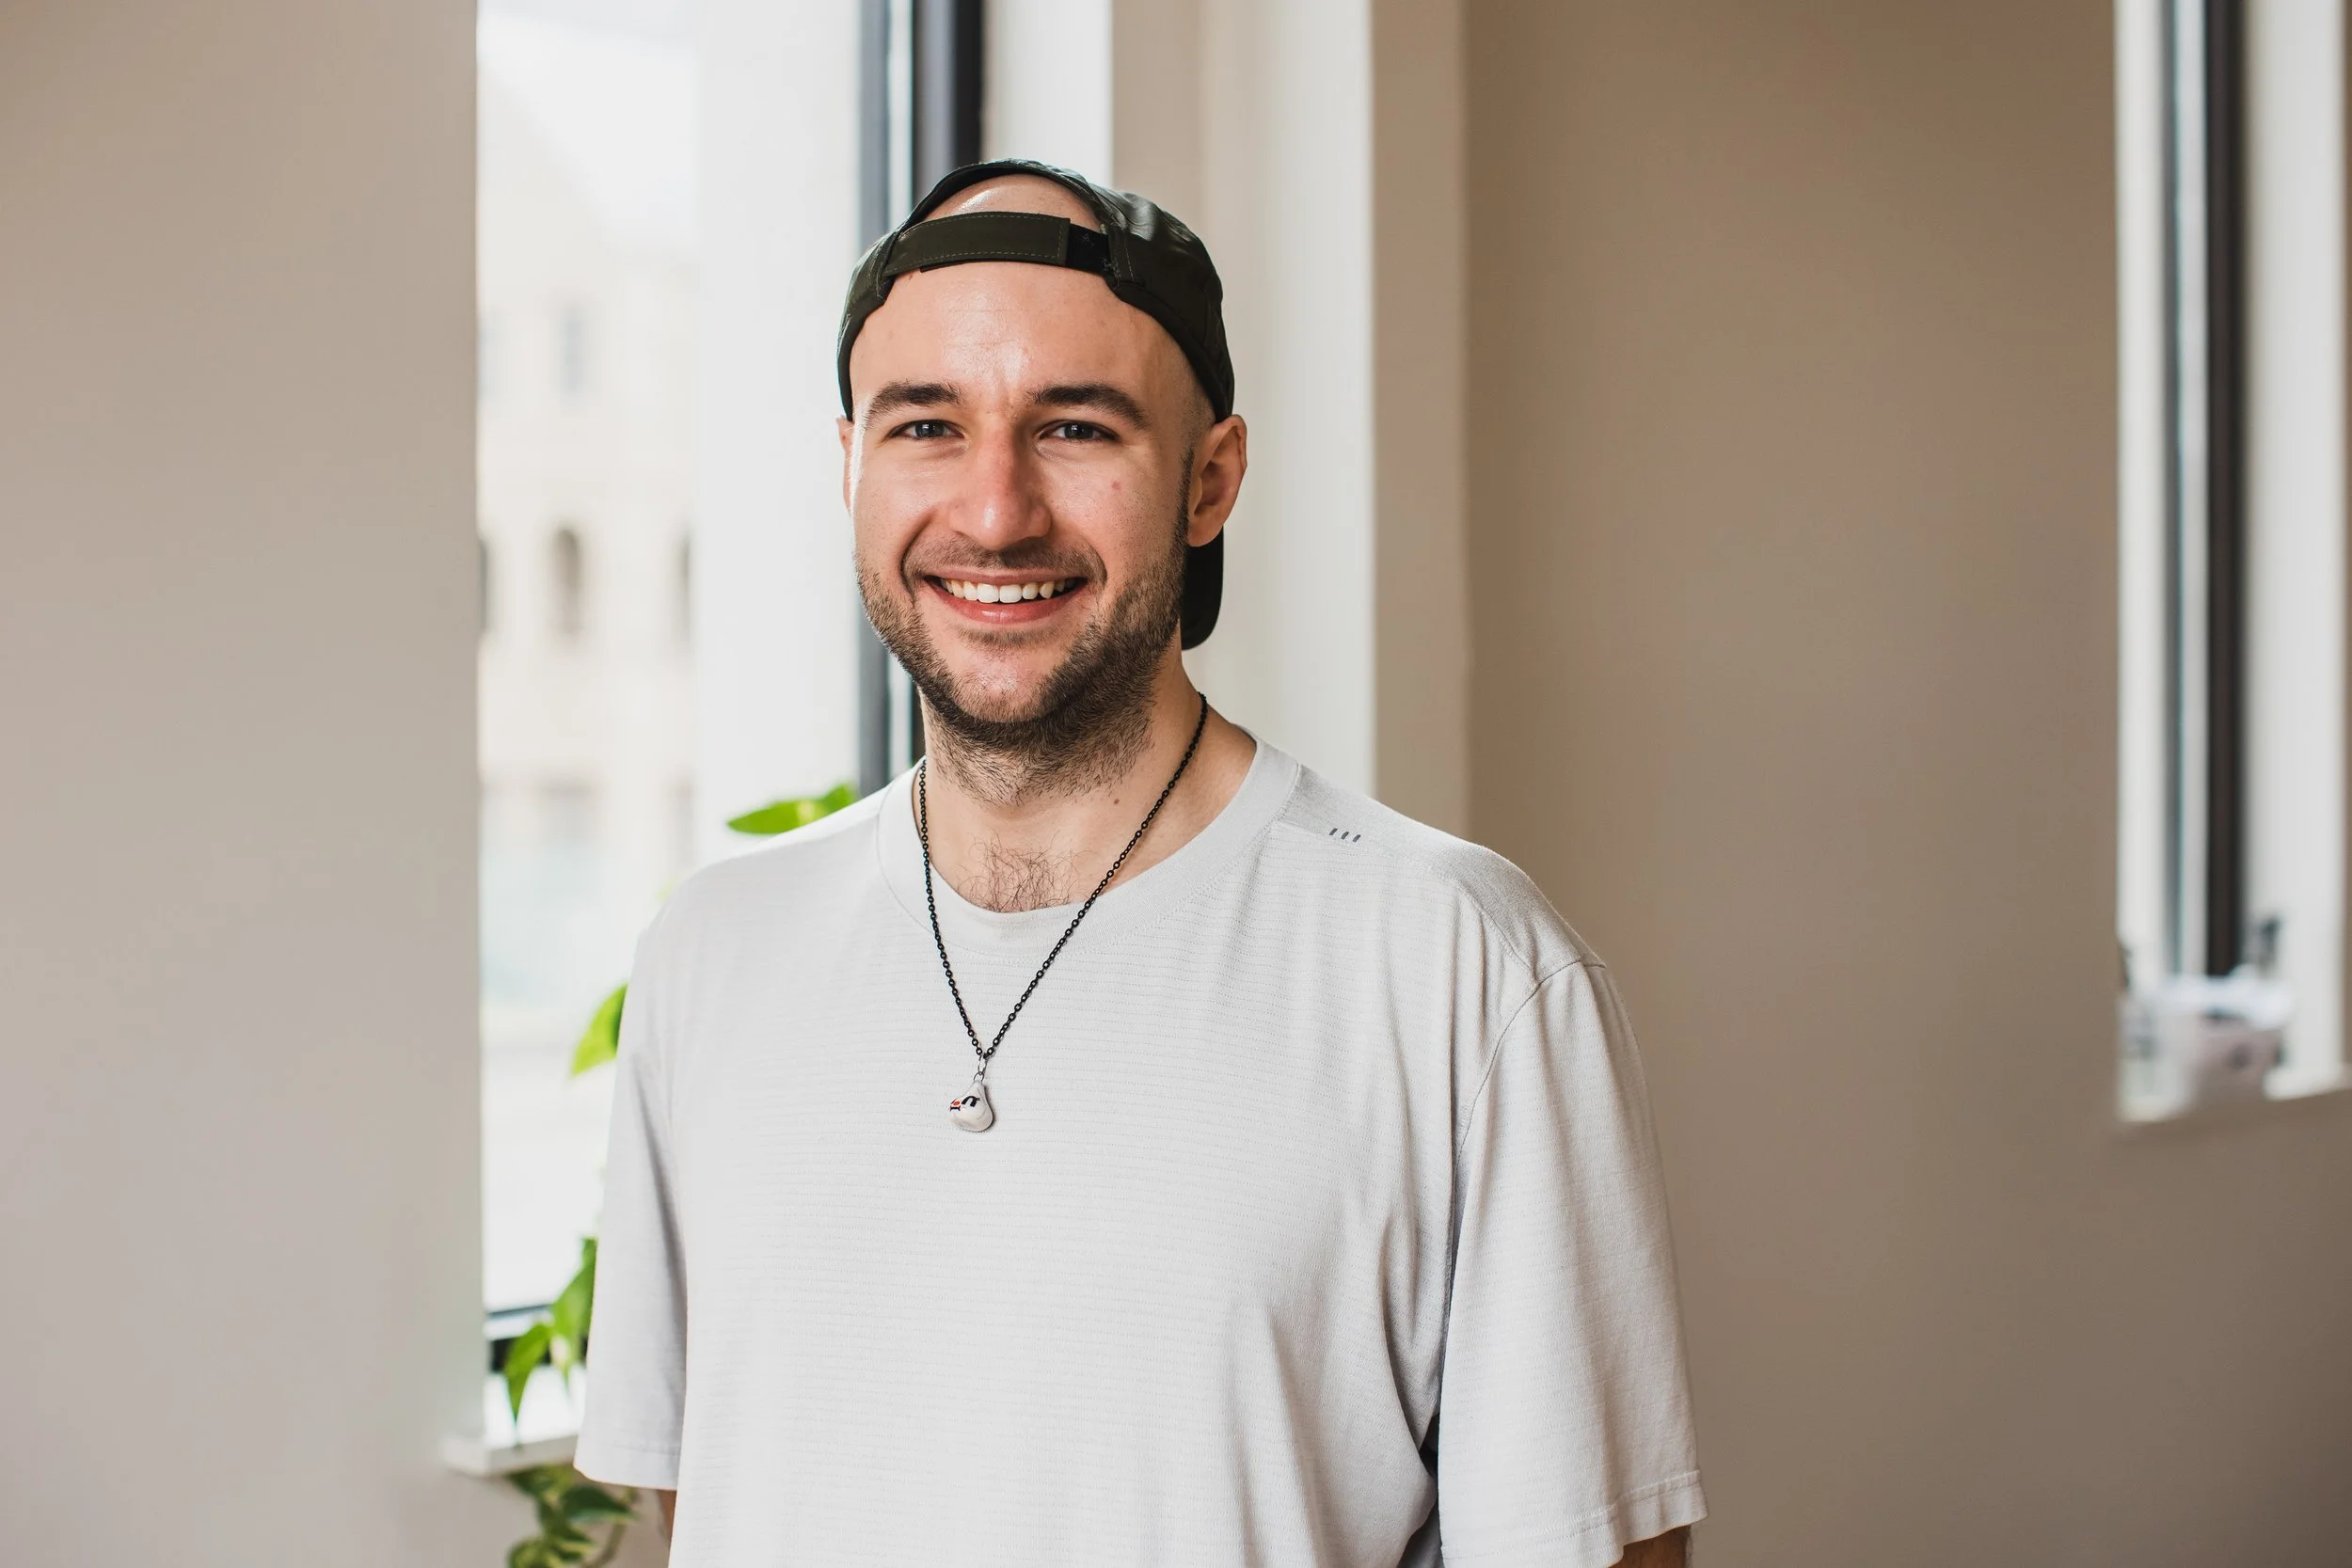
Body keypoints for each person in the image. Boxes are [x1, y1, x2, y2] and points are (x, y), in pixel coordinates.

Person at [574, 159, 1705, 1567]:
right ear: (849, 468)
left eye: (1076, 427)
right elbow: (705, 1509)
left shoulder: (1463, 972)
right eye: (928, 423)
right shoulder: (713, 952)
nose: (995, 511)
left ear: (1210, 481)